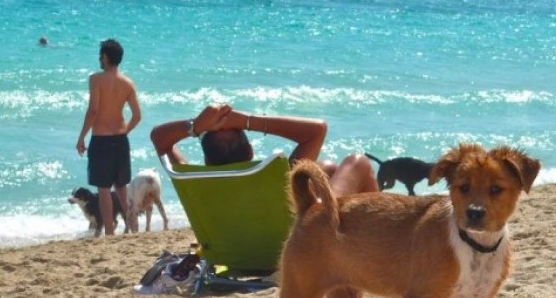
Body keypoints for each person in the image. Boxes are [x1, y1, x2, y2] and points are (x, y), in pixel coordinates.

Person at [149, 104, 377, 197]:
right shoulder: (280, 180)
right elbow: (317, 130)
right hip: (292, 251)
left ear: (207, 158)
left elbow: (159, 138)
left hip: (234, 253)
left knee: (326, 169)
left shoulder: (194, 181)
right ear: (250, 152)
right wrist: (247, 120)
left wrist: (197, 125)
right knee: (358, 162)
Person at [76, 38, 142, 235]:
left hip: (101, 139)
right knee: (121, 186)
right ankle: (133, 227)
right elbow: (137, 116)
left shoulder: (96, 79)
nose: (99, 58)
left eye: (101, 54)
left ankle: (110, 233)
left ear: (105, 57)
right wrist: (124, 131)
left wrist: (81, 137)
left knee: (104, 188)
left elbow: (94, 110)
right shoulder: (128, 83)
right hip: (121, 140)